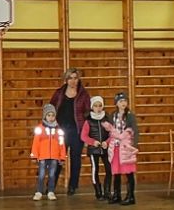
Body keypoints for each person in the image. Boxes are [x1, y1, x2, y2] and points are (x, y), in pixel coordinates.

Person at [49, 68, 89, 196]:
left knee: (75, 159)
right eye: (70, 78)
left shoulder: (83, 94)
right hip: (61, 130)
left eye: (75, 78)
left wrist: (87, 132)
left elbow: (87, 113)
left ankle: (72, 186)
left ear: (78, 79)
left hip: (77, 131)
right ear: (66, 80)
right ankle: (51, 185)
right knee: (57, 158)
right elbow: (51, 108)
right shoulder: (59, 93)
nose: (73, 81)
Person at [108, 92, 139, 204]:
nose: (123, 103)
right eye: (121, 101)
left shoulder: (130, 116)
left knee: (128, 171)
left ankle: (131, 196)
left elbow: (135, 131)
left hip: (126, 148)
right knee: (116, 172)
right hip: (116, 147)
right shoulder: (113, 115)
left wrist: (134, 145)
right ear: (116, 103)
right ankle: (117, 195)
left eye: (125, 101)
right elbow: (110, 130)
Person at [31, 103, 64, 201]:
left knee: (52, 175)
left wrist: (62, 156)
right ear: (45, 116)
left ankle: (51, 191)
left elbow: (61, 143)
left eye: (53, 115)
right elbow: (36, 143)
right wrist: (34, 155)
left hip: (54, 157)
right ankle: (39, 192)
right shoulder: (40, 128)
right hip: (42, 156)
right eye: (48, 115)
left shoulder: (58, 129)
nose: (51, 117)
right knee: (41, 175)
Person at [82, 96, 113, 200]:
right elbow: (83, 136)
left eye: (100, 106)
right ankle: (98, 192)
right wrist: (93, 142)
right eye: (95, 106)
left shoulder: (107, 119)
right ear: (92, 107)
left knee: (109, 169)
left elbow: (112, 134)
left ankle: (107, 191)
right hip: (93, 149)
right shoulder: (88, 121)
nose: (98, 108)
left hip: (105, 148)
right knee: (95, 170)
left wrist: (107, 142)